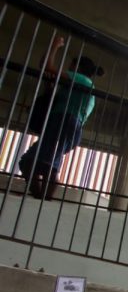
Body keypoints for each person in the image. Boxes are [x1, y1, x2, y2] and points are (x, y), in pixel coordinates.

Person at [19, 36, 104, 200]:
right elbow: (52, 96)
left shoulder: (82, 80)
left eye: (71, 66)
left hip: (64, 122)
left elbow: (46, 66)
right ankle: (40, 198)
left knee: (47, 164)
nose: (68, 69)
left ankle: (43, 200)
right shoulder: (78, 87)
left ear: (77, 67)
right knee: (28, 162)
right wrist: (49, 86)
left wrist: (54, 45)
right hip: (64, 124)